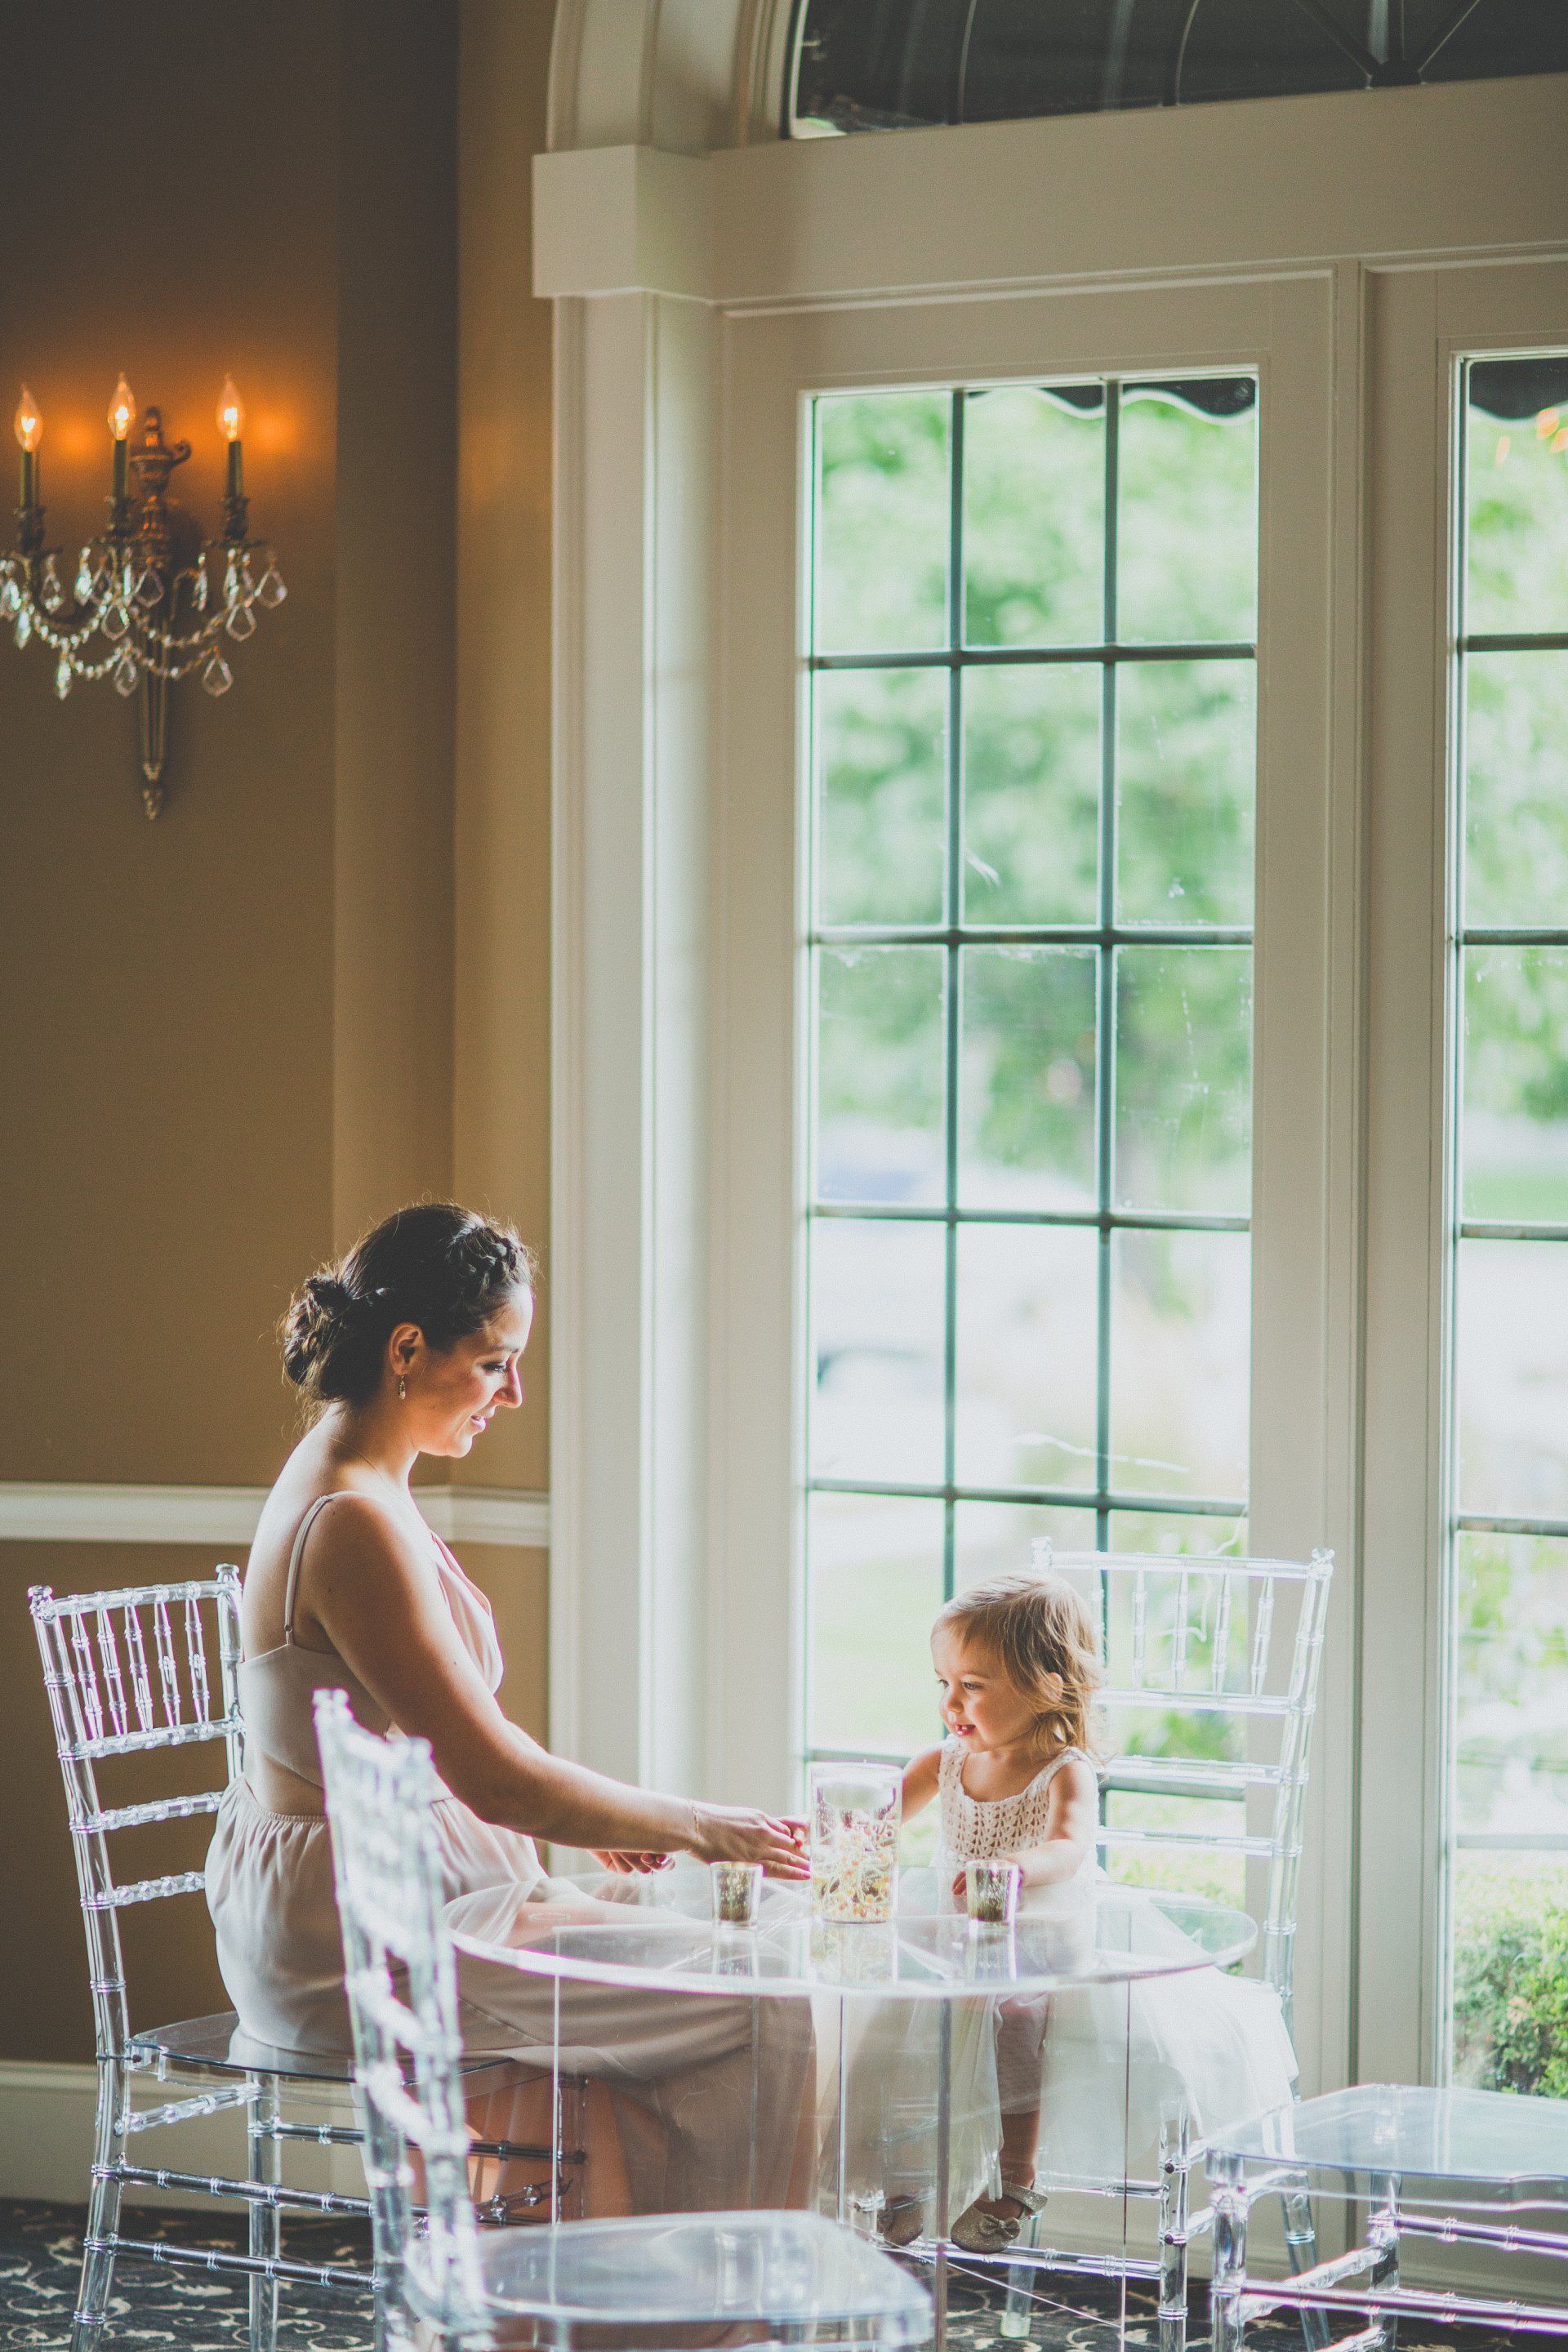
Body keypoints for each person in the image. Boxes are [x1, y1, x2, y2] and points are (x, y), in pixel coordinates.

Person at [205, 1200, 812, 2214]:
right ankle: (692, 2305)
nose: (515, 1393)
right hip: (366, 1936)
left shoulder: (369, 1481)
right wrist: (703, 1825)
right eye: (495, 1361)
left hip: (422, 1889)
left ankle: (609, 2273)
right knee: (767, 2003)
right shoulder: (351, 1519)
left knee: (758, 1929)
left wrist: (602, 1822)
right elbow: (490, 1775)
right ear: (408, 1348)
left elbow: (468, 1737)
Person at [830, 1569, 1297, 2253]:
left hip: (1041, 1937)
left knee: (1015, 2015)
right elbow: (875, 1821)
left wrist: (1018, 1870)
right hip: (956, 1934)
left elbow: (1069, 1846)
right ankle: (903, 2172)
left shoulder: (1062, 1768)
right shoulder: (944, 1762)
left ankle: (1013, 2177)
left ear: (1045, 1684)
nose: (952, 1703)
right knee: (895, 2007)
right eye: (945, 1684)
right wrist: (835, 1837)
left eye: (974, 1686)